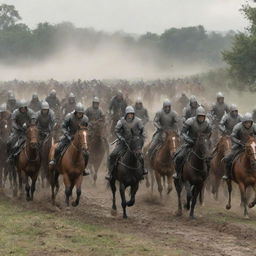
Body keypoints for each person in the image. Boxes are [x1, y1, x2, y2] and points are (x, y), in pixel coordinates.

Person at [106, 106, 147, 180]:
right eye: (129, 114)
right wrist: (121, 138)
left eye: (131, 114)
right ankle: (110, 172)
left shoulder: (138, 121)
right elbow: (117, 131)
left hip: (134, 143)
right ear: (126, 114)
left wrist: (141, 138)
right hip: (123, 143)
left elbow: (143, 130)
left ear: (133, 114)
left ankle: (143, 170)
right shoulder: (121, 121)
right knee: (113, 155)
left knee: (141, 156)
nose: (130, 115)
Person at [49, 102, 89, 176]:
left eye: (81, 113)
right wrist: (67, 135)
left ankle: (84, 169)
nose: (80, 114)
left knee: (86, 154)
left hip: (80, 139)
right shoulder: (69, 116)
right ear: (76, 112)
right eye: (78, 113)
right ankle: (54, 162)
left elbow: (86, 129)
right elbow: (63, 127)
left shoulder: (85, 119)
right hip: (69, 136)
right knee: (58, 148)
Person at [173, 106, 212, 180]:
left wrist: (206, 139)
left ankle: (207, 175)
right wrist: (189, 140)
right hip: (190, 143)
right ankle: (178, 173)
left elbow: (209, 132)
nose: (201, 118)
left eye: (202, 116)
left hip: (202, 144)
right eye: (200, 116)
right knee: (179, 157)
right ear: (197, 116)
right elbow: (183, 133)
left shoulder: (207, 123)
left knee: (209, 158)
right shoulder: (190, 121)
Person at [223, 113, 256, 180]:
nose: (248, 124)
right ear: (243, 122)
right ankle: (227, 174)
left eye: (249, 122)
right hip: (239, 145)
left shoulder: (254, 126)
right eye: (246, 122)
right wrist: (239, 142)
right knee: (227, 158)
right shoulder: (237, 127)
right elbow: (232, 136)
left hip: (251, 146)